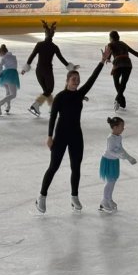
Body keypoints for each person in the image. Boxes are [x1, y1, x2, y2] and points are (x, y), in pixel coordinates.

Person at [36, 46, 111, 214]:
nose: (76, 81)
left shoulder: (79, 94)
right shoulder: (60, 97)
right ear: (67, 80)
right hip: (61, 135)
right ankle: (41, 196)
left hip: (76, 135)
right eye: (73, 79)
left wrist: (102, 62)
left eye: (78, 79)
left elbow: (92, 79)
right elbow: (53, 117)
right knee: (53, 167)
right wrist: (50, 136)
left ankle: (74, 197)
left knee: (76, 167)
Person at [22, 20, 77, 117]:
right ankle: (36, 105)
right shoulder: (54, 47)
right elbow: (62, 59)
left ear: (45, 34)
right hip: (47, 72)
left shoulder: (39, 44)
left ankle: (52, 108)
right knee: (49, 90)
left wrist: (25, 69)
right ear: (53, 35)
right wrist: (72, 68)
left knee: (46, 91)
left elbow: (32, 56)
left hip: (39, 71)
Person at [105, 30, 138, 111]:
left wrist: (108, 59)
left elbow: (109, 53)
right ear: (118, 37)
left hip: (118, 65)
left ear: (111, 38)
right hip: (127, 65)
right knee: (123, 84)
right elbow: (135, 52)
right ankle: (121, 102)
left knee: (116, 83)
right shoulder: (123, 44)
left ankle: (118, 100)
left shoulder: (110, 44)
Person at [99, 116, 137, 213]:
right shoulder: (110, 138)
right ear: (115, 127)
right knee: (109, 181)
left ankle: (109, 199)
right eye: (122, 126)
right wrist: (119, 155)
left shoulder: (119, 137)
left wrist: (129, 157)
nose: (123, 128)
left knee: (113, 181)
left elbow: (121, 149)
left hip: (114, 161)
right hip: (108, 161)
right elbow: (110, 151)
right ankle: (104, 200)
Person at [0, 44, 20, 115]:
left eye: (0, 55)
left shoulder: (5, 57)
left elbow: (0, 65)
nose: (1, 57)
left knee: (8, 92)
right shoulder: (13, 57)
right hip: (12, 75)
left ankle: (8, 106)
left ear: (2, 53)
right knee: (13, 94)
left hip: (6, 75)